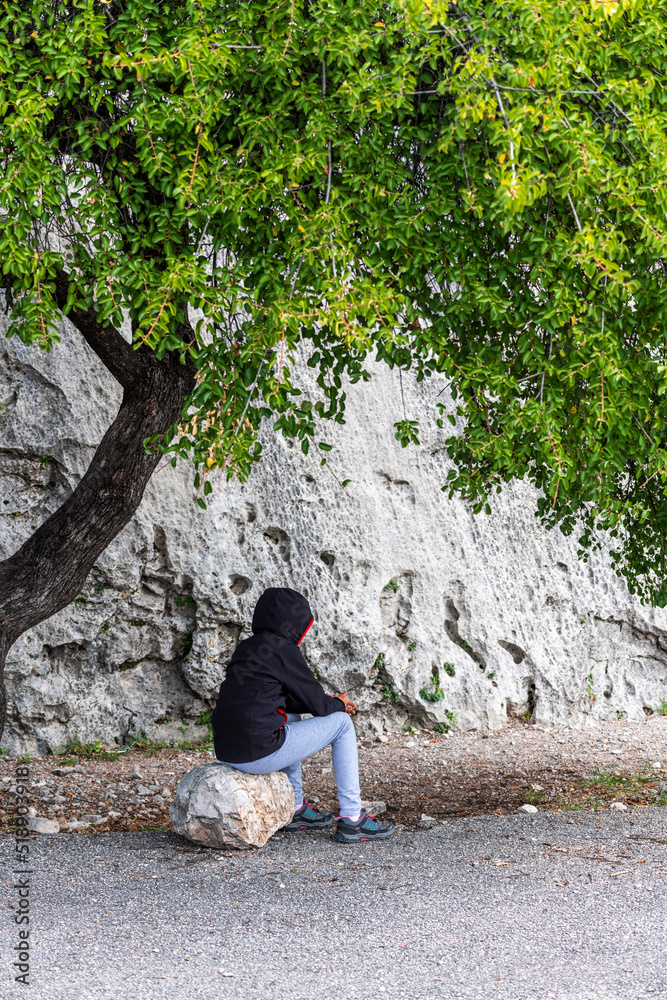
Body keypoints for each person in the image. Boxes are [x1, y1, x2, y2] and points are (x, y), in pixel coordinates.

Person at [212, 586, 395, 843]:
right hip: (256, 754)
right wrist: (339, 705)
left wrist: (329, 702)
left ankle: (294, 809)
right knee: (342, 723)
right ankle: (353, 818)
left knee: (291, 718)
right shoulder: (283, 649)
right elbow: (319, 706)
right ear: (294, 623)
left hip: (229, 751)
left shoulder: (248, 648)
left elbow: (280, 701)